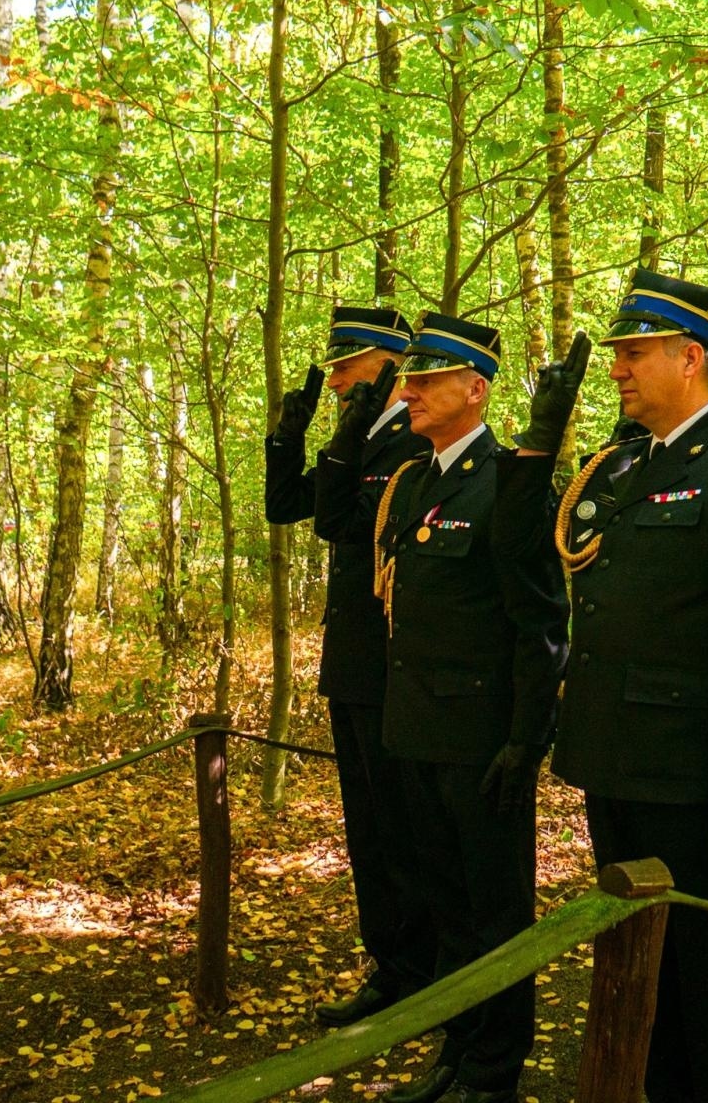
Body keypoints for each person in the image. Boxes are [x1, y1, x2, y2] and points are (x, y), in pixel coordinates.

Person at [498, 267, 708, 1103]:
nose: (618, 368)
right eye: (618, 354)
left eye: (635, 352)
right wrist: (540, 440)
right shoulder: (624, 466)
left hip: (694, 781)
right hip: (617, 766)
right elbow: (522, 551)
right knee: (647, 979)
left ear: (693, 357)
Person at [368, 312, 569, 1103]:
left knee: (495, 912)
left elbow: (540, 625)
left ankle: (494, 1071)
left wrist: (525, 742)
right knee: (445, 907)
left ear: (475, 389)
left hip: (481, 742)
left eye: (425, 379)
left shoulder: (510, 483)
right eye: (409, 377)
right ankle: (455, 1051)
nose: (408, 392)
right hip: (416, 730)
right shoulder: (415, 480)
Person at [263, 305, 435, 1027]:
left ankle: (422, 971)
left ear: (389, 363)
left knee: (403, 827)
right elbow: (284, 505)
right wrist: (286, 436)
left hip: (396, 664)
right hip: (353, 662)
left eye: (346, 365)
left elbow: (340, 521)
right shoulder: (357, 433)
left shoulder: (415, 440)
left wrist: (340, 440)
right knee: (367, 828)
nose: (334, 381)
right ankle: (389, 965)